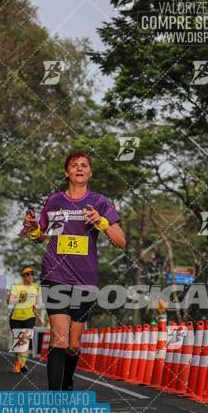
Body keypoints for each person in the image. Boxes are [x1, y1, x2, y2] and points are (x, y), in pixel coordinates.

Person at [21, 149, 126, 390]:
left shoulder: (100, 202)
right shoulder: (54, 200)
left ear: (90, 172)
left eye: (84, 165)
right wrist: (34, 227)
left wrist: (101, 222)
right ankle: (54, 401)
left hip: (84, 280)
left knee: (73, 345)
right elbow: (40, 236)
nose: (79, 168)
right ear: (66, 172)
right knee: (59, 337)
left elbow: (121, 241)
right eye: (74, 165)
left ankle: (67, 382)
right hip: (54, 276)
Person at [7, 267, 43, 374]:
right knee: (18, 342)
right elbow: (10, 300)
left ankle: (22, 363)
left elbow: (38, 304)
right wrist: (20, 298)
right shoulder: (17, 287)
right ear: (23, 276)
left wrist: (37, 311)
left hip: (29, 317)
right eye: (27, 274)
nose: (30, 276)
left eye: (32, 274)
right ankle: (18, 363)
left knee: (25, 339)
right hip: (15, 317)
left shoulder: (36, 287)